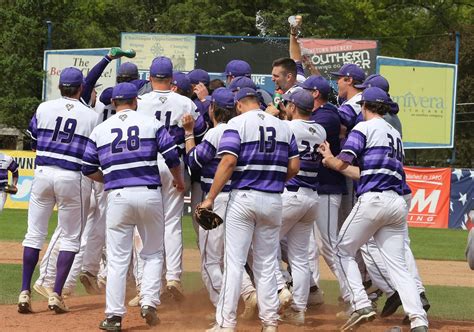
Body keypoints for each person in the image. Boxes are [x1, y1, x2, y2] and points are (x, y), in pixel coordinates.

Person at [318, 87, 429, 332]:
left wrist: (329, 157)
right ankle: (419, 320)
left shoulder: (363, 128)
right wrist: (334, 162)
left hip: (374, 200)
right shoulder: (394, 134)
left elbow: (343, 161)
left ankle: (360, 304)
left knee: (341, 250)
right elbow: (363, 172)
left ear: (364, 106)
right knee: (399, 266)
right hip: (396, 203)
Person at [82, 82, 184, 330]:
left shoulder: (101, 129)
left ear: (114, 103)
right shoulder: (151, 123)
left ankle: (114, 316)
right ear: (135, 102)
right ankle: (149, 301)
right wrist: (179, 180)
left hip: (117, 196)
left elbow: (87, 168)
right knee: (152, 252)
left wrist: (110, 178)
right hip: (149, 194)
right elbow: (171, 156)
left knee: (117, 259)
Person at [201, 87, 300, 332]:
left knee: (233, 263)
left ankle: (226, 324)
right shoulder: (283, 126)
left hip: (244, 198)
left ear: (239, 104)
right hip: (273, 199)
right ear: (257, 100)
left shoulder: (237, 122)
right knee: (266, 264)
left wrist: (210, 198)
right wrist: (274, 179)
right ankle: (270, 323)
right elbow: (295, 166)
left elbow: (229, 161)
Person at [19, 67, 99, 314]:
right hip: (72, 176)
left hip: (42, 173)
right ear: (81, 88)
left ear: (59, 87)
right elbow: (92, 155)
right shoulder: (91, 115)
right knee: (71, 237)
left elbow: (33, 138)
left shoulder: (43, 108)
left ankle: (24, 292)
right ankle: (56, 294)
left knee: (34, 235)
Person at [182, 88, 258, 318]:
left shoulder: (216, 133)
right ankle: (249, 294)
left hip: (217, 200)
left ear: (213, 108)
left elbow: (193, 162)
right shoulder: (242, 129)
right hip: (240, 199)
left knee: (209, 262)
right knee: (230, 257)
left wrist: (188, 133)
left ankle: (223, 307)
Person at [137, 56, 207, 301]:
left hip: (147, 163)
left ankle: (148, 285)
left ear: (149, 78)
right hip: (176, 163)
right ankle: (174, 278)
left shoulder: (140, 101)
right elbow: (198, 133)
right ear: (172, 79)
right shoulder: (186, 103)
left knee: (145, 225)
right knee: (171, 224)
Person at [274, 89, 326, 326]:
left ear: (293, 107)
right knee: (300, 258)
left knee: (261, 243)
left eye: (288, 104)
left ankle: (280, 286)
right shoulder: (321, 130)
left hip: (290, 194)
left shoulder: (287, 128)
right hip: (311, 198)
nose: (285, 107)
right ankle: (298, 310)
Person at [301, 75, 347, 304]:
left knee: (328, 244)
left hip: (328, 188)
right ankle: (313, 294)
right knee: (310, 247)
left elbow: (309, 131)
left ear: (315, 93)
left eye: (305, 91)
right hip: (317, 188)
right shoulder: (320, 114)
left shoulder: (327, 115)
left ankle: (354, 296)